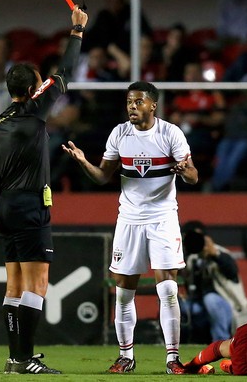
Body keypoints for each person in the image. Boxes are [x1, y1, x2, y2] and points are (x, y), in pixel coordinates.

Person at [62, 81, 198, 374]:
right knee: (124, 292)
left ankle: (172, 359)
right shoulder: (120, 134)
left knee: (169, 289)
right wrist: (84, 162)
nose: (132, 108)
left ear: (153, 105)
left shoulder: (170, 133)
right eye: (128, 103)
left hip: (162, 218)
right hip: (129, 219)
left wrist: (186, 171)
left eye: (138, 102)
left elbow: (193, 177)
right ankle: (126, 357)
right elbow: (102, 177)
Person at [0, 6, 88, 375]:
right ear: (31, 90)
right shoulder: (34, 112)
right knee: (37, 284)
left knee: (14, 284)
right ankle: (25, 359)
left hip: (5, 206)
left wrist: (10, 200)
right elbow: (67, 73)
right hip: (30, 205)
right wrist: (76, 31)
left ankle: (16, 358)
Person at [180, 221, 247, 343]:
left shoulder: (219, 252)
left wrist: (214, 255)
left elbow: (232, 272)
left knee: (211, 299)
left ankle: (221, 341)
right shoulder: (191, 258)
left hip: (228, 306)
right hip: (201, 305)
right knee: (182, 305)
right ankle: (192, 341)